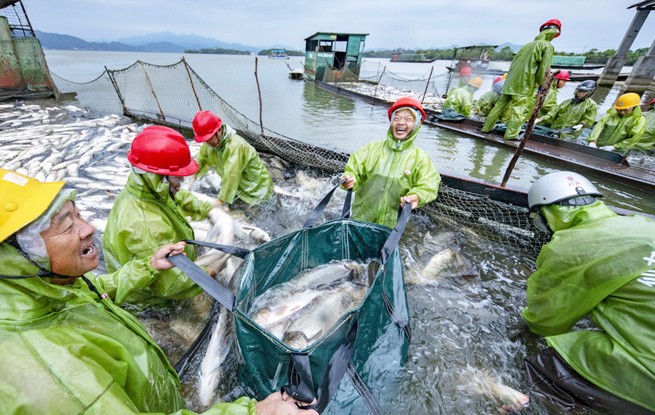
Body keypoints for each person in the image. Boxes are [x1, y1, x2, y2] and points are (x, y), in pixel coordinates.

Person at [0, 168, 315, 415]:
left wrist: (148, 266)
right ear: (16, 259)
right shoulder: (57, 374)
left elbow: (97, 288)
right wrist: (254, 411)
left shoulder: (51, 286)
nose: (88, 228)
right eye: (67, 226)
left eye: (79, 214)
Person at [521, 170, 655, 414]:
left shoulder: (568, 247)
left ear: (546, 213)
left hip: (648, 376)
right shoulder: (644, 224)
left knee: (549, 360)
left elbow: (545, 323)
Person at [103, 126, 221, 309]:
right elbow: (170, 285)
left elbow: (175, 197)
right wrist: (210, 272)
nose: (181, 183)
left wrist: (207, 209)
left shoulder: (144, 188)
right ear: (158, 178)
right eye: (177, 177)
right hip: (151, 301)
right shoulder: (145, 225)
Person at [341, 97, 441, 228]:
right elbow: (353, 170)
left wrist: (417, 196)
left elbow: (429, 185)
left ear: (416, 125)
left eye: (408, 119)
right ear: (391, 122)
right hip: (360, 220)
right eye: (397, 118)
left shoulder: (421, 158)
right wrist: (349, 179)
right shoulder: (371, 149)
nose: (401, 123)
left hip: (392, 227)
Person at [481, 19, 561, 140]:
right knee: (519, 109)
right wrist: (542, 84)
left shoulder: (526, 46)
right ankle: (511, 136)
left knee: (499, 106)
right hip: (524, 84)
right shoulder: (547, 46)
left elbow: (514, 64)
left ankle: (486, 128)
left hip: (509, 82)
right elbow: (544, 68)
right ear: (554, 33)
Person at [192, 110, 274, 206]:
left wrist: (220, 201)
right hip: (240, 187)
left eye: (209, 139)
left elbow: (232, 175)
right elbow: (202, 158)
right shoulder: (212, 144)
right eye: (205, 140)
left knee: (259, 211)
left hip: (257, 189)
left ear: (218, 130)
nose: (207, 143)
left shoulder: (235, 146)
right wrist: (192, 175)